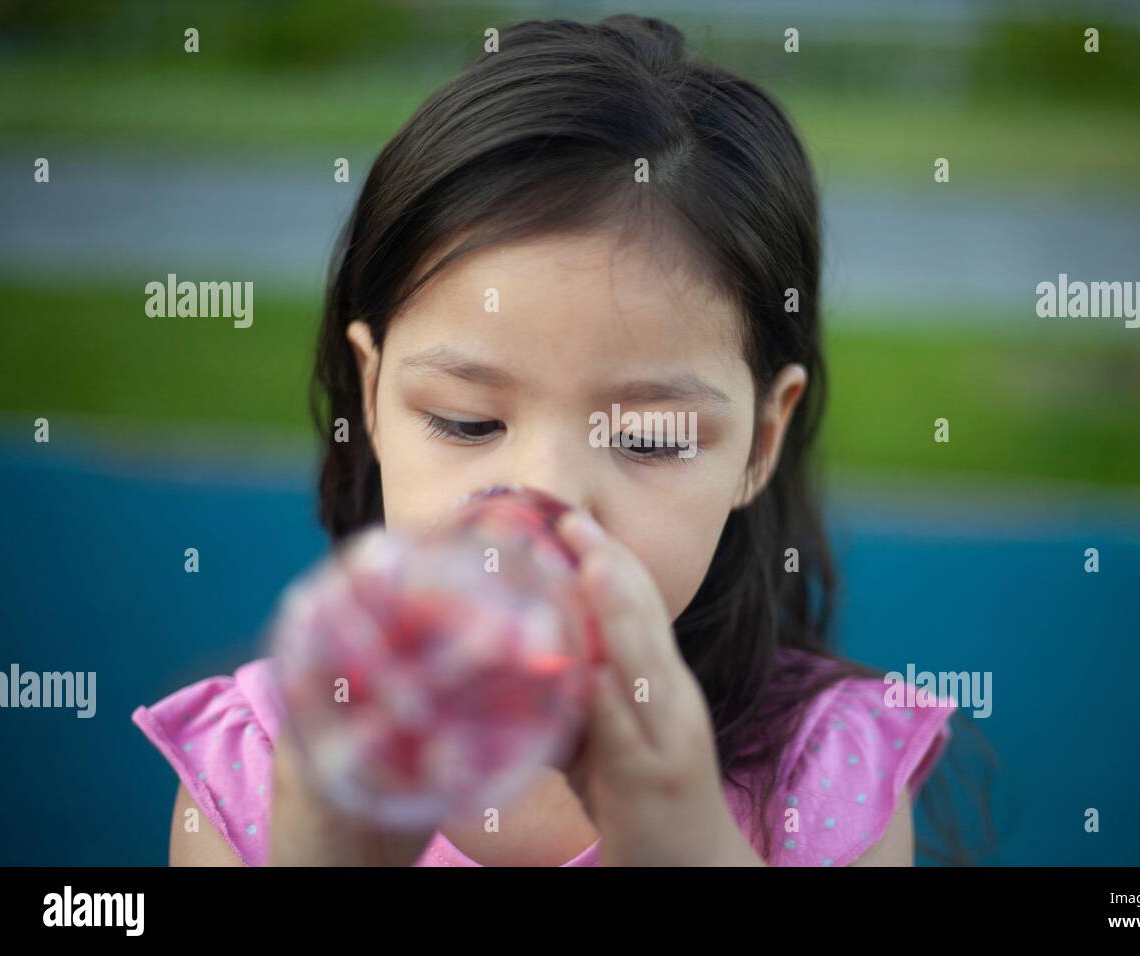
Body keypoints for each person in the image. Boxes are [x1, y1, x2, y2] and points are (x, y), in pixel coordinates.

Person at [133, 13, 959, 867]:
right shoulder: (259, 774)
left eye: (650, 437)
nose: (547, 499)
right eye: (468, 422)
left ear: (760, 441)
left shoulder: (821, 776)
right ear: (372, 396)